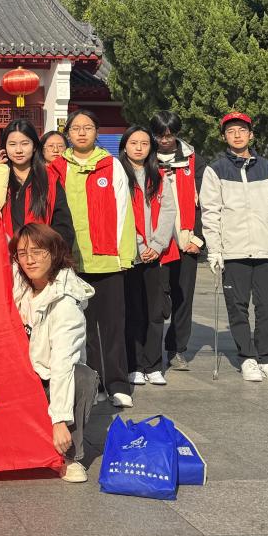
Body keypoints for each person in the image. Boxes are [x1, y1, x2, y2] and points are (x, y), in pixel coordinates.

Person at [50, 109, 136, 408]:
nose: (82, 132)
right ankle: (93, 383)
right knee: (79, 327)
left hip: (107, 258)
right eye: (76, 128)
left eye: (88, 127)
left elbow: (124, 211)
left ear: (97, 132)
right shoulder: (57, 167)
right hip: (71, 259)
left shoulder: (111, 165)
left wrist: (125, 254)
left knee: (113, 325)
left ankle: (117, 383)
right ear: (68, 133)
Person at [201, 112, 268, 383]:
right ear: (224, 137)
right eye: (231, 131)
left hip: (265, 248)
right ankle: (247, 357)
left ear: (251, 135)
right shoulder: (216, 170)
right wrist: (214, 250)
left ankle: (267, 358)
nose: (237, 135)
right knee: (237, 306)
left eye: (242, 130)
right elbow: (210, 212)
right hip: (234, 250)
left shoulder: (267, 168)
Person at [11, 222, 97, 484]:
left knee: (82, 378)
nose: (30, 260)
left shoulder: (66, 304)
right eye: (23, 253)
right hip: (18, 378)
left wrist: (59, 420)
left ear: (55, 252)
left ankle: (70, 456)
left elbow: (61, 364)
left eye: (38, 252)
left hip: (47, 381)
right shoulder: (19, 285)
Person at [119, 125, 177, 387]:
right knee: (133, 311)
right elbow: (121, 212)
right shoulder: (118, 175)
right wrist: (140, 245)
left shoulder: (159, 176)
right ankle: (134, 365)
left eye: (144, 143)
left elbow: (169, 210)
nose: (139, 148)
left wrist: (158, 243)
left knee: (155, 311)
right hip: (130, 253)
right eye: (134, 143)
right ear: (124, 146)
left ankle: (153, 364)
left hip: (157, 254)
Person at [151, 111, 205, 371]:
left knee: (183, 298)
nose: (165, 140)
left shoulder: (194, 160)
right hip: (156, 242)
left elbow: (207, 202)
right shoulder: (146, 157)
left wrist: (200, 239)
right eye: (160, 135)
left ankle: (177, 349)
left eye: (170, 135)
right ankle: (150, 349)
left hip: (186, 239)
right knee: (158, 299)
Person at [3, 119, 76, 248]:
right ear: (5, 147)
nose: (18, 150)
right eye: (12, 144)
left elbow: (63, 226)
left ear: (35, 146)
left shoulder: (49, 179)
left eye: (25, 143)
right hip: (4, 254)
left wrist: (49, 252)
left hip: (41, 254)